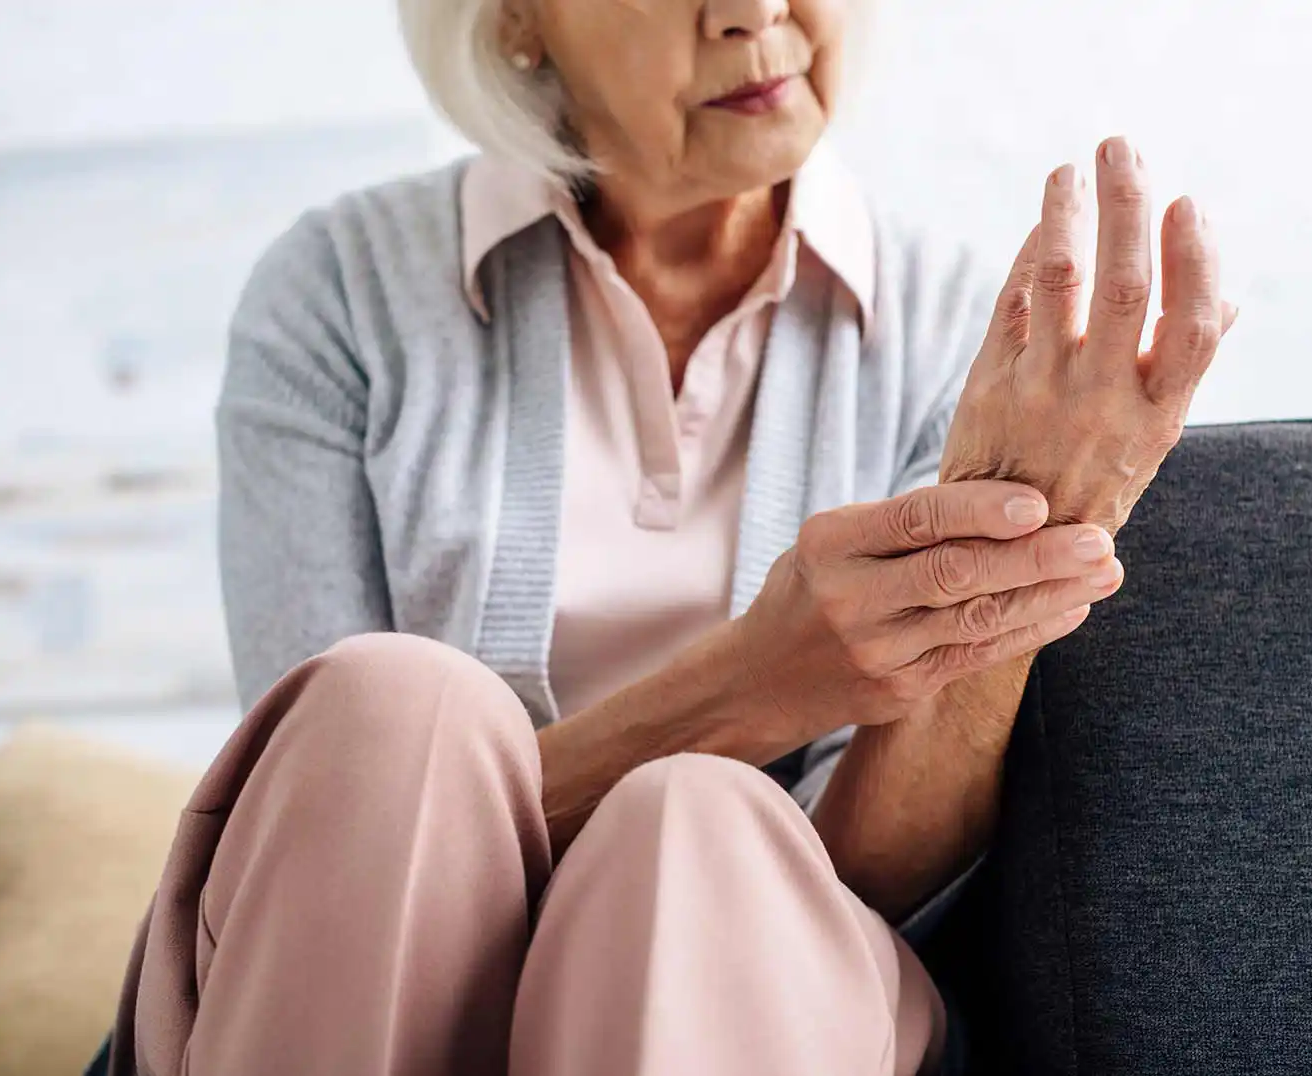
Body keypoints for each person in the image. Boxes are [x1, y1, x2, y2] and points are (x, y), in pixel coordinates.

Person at [100, 0, 1235, 1073]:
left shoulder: (955, 332)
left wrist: (1012, 561)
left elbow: (871, 886)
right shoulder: (339, 294)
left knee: (689, 835)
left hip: (744, 987)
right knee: (399, 708)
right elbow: (328, 828)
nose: (753, 9)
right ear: (517, 19)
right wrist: (752, 681)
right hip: (332, 983)